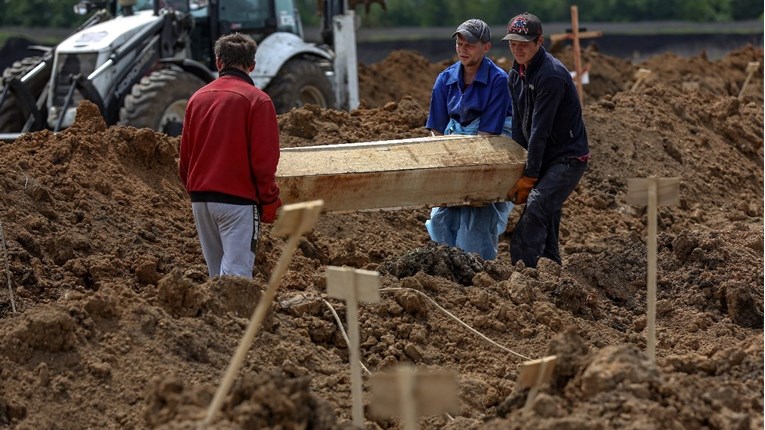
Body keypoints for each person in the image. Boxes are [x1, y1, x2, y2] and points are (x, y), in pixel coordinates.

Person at [179, 33, 282, 278]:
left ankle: (218, 318)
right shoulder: (258, 101)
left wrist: (195, 189)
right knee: (237, 279)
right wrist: (269, 199)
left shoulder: (197, 99)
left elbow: (185, 157)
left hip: (201, 200)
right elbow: (264, 161)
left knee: (217, 276)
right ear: (252, 65)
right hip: (237, 203)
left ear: (218, 62)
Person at [502, 12, 590, 268]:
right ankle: (552, 264)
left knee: (537, 205)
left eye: (524, 44)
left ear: (539, 42)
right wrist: (519, 164)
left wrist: (529, 175)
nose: (517, 49)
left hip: (568, 157)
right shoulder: (515, 74)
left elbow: (540, 129)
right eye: (512, 43)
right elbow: (519, 124)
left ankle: (523, 268)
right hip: (545, 155)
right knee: (548, 213)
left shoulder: (550, 75)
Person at [424, 18, 514, 260]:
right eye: (459, 44)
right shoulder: (445, 79)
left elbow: (488, 134)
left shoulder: (498, 80)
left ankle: (478, 272)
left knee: (476, 215)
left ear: (486, 47)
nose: (462, 50)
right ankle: (447, 271)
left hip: (489, 148)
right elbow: (437, 130)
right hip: (454, 146)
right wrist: (445, 165)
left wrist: (467, 172)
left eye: (469, 45)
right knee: (443, 217)